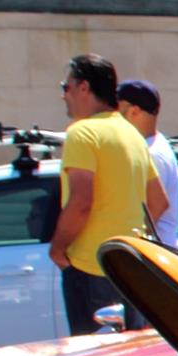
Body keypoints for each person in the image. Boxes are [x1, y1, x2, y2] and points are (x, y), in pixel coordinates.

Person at [51, 54, 165, 334]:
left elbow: (81, 201)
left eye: (66, 87)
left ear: (84, 87)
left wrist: (58, 249)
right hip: (129, 269)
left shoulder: (82, 133)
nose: (64, 95)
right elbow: (159, 202)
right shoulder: (132, 134)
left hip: (91, 267)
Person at [115, 78, 178, 244]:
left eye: (116, 110)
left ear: (133, 111)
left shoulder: (151, 153)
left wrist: (127, 244)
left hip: (150, 252)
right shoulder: (156, 143)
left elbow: (155, 206)